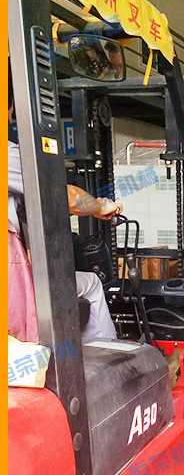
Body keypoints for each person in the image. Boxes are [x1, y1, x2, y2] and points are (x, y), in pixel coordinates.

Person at [8, 104, 121, 341]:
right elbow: (63, 195)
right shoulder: (8, 156)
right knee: (91, 284)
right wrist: (100, 207)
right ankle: (107, 350)